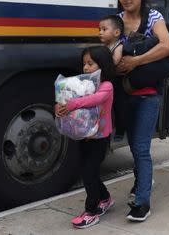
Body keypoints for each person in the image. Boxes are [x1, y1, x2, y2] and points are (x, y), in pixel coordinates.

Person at [115, 0, 169, 222]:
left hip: (148, 93)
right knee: (134, 144)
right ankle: (141, 184)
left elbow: (166, 46)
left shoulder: (153, 17)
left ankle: (142, 203)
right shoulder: (116, 20)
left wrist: (135, 61)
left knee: (140, 147)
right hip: (124, 93)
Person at [54, 46, 116, 229]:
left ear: (103, 65)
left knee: (89, 173)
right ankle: (105, 198)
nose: (86, 68)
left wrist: (72, 104)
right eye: (84, 64)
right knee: (88, 171)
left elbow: (94, 100)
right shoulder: (83, 85)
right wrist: (59, 106)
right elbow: (68, 100)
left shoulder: (106, 86)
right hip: (84, 135)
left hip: (99, 137)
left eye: (91, 63)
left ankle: (92, 211)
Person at [98, 14, 127, 141]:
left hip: (117, 83)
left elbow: (115, 61)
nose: (100, 33)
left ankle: (120, 130)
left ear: (116, 32)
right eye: (99, 30)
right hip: (107, 82)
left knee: (118, 106)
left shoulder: (118, 46)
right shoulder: (105, 47)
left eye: (104, 30)